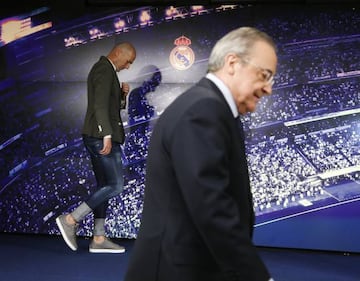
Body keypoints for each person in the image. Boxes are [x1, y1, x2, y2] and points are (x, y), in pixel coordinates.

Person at [124, 27, 277, 281]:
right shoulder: (203, 110)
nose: (268, 88)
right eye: (265, 75)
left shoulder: (211, 107)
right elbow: (211, 205)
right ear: (232, 63)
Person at [56, 42, 136, 253]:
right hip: (101, 136)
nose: (128, 66)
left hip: (99, 135)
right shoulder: (103, 68)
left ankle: (98, 238)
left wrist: (122, 96)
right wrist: (106, 135)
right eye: (128, 61)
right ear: (118, 53)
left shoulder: (108, 70)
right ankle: (71, 220)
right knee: (116, 185)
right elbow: (99, 106)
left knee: (104, 185)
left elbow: (109, 106)